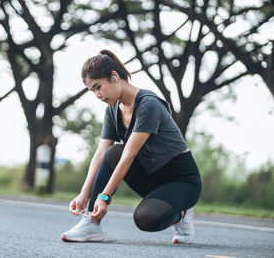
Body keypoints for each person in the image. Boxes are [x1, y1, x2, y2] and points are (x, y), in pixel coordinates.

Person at [61, 49, 202, 244]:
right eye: (92, 91)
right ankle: (91, 223)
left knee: (145, 218)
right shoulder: (112, 110)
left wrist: (104, 196)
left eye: (98, 86)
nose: (97, 95)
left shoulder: (148, 104)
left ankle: (180, 214)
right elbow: (101, 153)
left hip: (182, 181)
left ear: (114, 77)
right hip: (152, 177)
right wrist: (84, 194)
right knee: (112, 152)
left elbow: (129, 156)